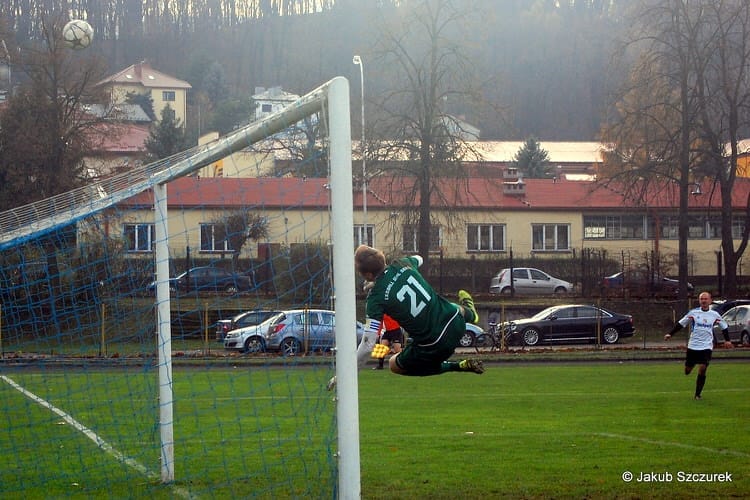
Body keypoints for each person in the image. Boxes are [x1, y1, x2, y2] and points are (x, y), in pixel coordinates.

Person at [354, 244, 484, 377]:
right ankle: (470, 313)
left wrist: (351, 374)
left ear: (368, 274)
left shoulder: (375, 297)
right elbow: (419, 258)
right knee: (446, 306)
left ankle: (456, 366)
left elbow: (368, 343)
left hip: (435, 345)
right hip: (456, 323)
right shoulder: (403, 263)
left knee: (394, 364)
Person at [664, 291, 734, 400]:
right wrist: (670, 334)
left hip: (706, 346)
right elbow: (681, 324)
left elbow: (724, 326)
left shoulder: (714, 315)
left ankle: (697, 394)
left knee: (703, 367)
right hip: (693, 346)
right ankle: (690, 366)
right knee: (687, 371)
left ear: (710, 301)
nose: (704, 301)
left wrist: (728, 340)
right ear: (699, 301)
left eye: (706, 299)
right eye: (702, 299)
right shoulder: (693, 313)